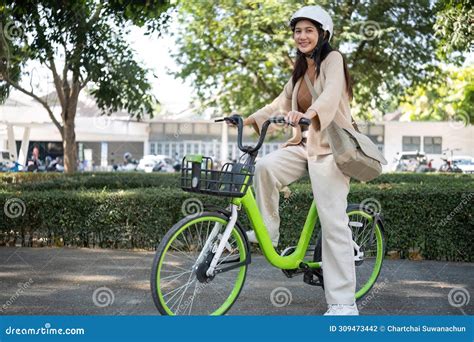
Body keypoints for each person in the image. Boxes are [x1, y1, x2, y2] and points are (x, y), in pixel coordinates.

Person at [228, 6, 359, 315]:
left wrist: (308, 114)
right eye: (298, 31)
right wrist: (247, 120)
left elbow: (330, 95)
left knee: (333, 222)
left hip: (330, 148)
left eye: (308, 30)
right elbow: (279, 103)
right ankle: (268, 231)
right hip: (303, 146)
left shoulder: (333, 60)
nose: (301, 36)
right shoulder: (299, 70)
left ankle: (343, 303)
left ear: (322, 33)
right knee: (264, 168)